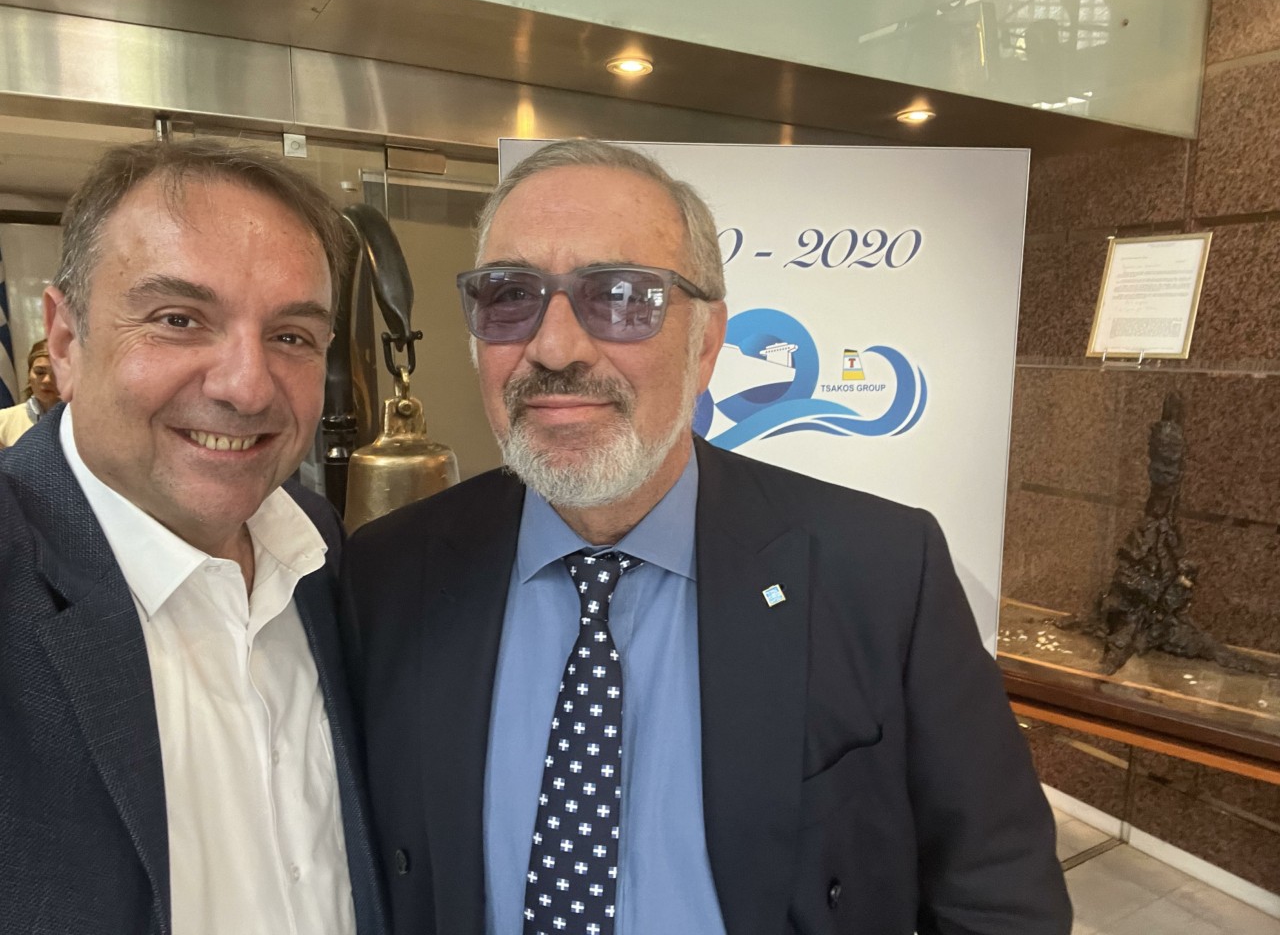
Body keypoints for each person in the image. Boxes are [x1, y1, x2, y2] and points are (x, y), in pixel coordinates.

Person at [344, 140, 1071, 935]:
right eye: (511, 296)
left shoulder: (882, 570)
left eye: (621, 297)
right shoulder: (389, 576)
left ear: (707, 342)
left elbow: (1000, 893)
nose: (554, 348)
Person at [0, 139, 386, 935]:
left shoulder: (314, 545)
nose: (246, 386)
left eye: (291, 336)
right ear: (65, 340)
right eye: (178, 320)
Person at [0, 338, 59, 447]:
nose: (47, 380)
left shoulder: (81, 420)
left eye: (56, 373)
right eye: (40, 372)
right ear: (28, 374)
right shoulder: (3, 421)